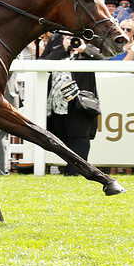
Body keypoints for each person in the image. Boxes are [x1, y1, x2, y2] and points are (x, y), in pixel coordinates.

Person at [43, 35, 102, 176]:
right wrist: (62, 49)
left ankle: (74, 173)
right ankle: (70, 171)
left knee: (80, 138)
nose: (72, 41)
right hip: (57, 105)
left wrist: (85, 49)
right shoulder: (57, 49)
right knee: (61, 138)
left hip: (80, 104)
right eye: (68, 38)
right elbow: (42, 63)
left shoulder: (88, 50)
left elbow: (103, 61)